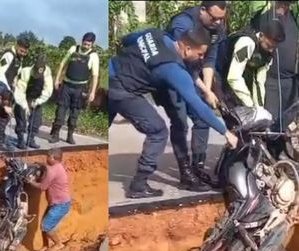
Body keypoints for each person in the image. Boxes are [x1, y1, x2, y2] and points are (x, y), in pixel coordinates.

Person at [109, 27, 238, 199]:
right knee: (158, 131)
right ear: (187, 49)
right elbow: (197, 105)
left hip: (111, 73)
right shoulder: (171, 68)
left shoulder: (157, 34)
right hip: (123, 91)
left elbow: (127, 39)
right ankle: (138, 185)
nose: (201, 59)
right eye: (200, 54)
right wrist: (225, 132)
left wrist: (207, 91)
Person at [155, 0, 227, 191]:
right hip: (171, 73)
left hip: (194, 73)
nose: (218, 23)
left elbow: (209, 61)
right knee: (180, 122)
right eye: (214, 18)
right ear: (202, 10)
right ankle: (186, 173)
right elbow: (184, 65)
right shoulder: (183, 24)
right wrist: (203, 91)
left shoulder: (216, 27)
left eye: (221, 19)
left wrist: (208, 91)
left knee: (202, 118)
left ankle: (198, 166)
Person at [250, 1, 299, 158]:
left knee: (287, 120)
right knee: (271, 121)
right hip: (271, 79)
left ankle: (278, 154)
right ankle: (268, 157)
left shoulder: (293, 14)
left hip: (290, 79)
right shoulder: (265, 13)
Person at [216, 20, 285, 110]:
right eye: (268, 46)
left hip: (233, 76)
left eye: (274, 47)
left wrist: (259, 109)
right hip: (218, 71)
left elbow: (259, 81)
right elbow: (233, 77)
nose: (271, 50)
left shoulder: (268, 54)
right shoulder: (246, 43)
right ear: (261, 36)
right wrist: (249, 104)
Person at [50, 32, 99, 144]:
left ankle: (70, 135)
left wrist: (92, 93)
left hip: (80, 88)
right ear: (82, 41)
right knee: (60, 111)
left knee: (74, 113)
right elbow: (62, 64)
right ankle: (55, 134)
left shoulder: (94, 56)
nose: (86, 46)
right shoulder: (73, 49)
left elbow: (95, 76)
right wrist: (57, 79)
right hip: (66, 86)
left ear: (92, 44)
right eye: (85, 44)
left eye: (88, 45)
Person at [27, 148, 71, 251]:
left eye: (48, 156)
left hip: (60, 205)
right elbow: (47, 168)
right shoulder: (57, 166)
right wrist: (42, 165)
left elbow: (42, 187)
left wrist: (30, 181)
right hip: (58, 203)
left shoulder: (52, 171)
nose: (46, 158)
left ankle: (58, 244)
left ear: (53, 158)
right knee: (44, 225)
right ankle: (45, 245)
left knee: (46, 226)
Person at [0, 37, 30, 151]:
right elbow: (0, 73)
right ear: (17, 46)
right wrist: (7, 88)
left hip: (9, 90)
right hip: (0, 87)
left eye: (25, 52)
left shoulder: (19, 59)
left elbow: (15, 75)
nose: (23, 54)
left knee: (6, 116)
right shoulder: (8, 55)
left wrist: (15, 86)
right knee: (5, 115)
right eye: (21, 51)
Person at [13, 55, 53, 149]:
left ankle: (30, 139)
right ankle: (20, 139)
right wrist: (24, 105)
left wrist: (38, 101)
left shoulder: (47, 73)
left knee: (37, 120)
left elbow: (48, 90)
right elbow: (20, 91)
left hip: (37, 98)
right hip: (24, 96)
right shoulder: (25, 72)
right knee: (21, 118)